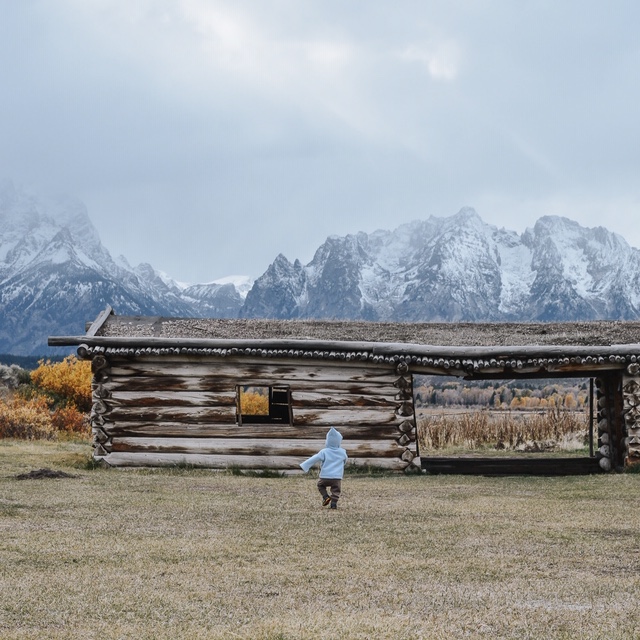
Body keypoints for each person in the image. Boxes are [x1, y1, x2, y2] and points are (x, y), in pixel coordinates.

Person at [299, 427, 348, 509]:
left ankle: (325, 497)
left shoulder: (324, 451)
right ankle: (333, 504)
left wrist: (305, 465)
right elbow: (345, 461)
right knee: (336, 490)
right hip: (337, 477)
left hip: (325, 476)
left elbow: (314, 458)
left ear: (327, 441)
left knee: (320, 485)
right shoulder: (342, 452)